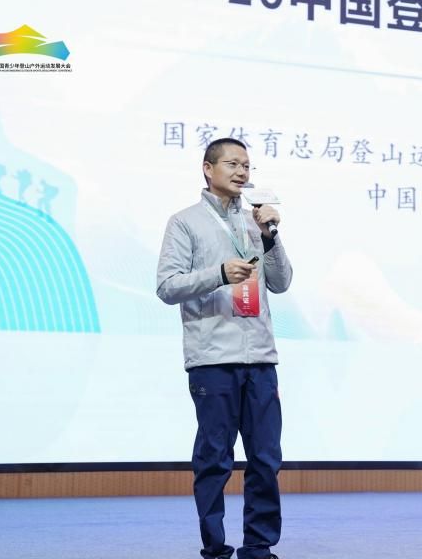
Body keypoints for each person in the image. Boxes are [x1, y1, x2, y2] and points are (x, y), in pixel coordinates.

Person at [156, 137, 292, 559]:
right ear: (207, 168)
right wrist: (217, 273)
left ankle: (258, 545)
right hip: (213, 358)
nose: (241, 172)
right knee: (215, 459)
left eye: (247, 165)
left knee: (266, 458)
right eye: (232, 163)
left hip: (261, 358)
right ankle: (215, 546)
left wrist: (270, 237)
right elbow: (167, 286)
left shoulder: (256, 222)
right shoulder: (185, 222)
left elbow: (281, 282)